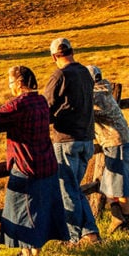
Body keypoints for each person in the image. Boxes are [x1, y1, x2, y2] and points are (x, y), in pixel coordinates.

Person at [0, 65, 69, 256]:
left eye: (10, 83)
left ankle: (26, 254)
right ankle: (35, 251)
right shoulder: (40, 100)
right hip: (46, 161)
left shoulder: (19, 104)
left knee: (21, 210)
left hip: (27, 165)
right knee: (40, 208)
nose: (9, 87)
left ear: (19, 83)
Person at [44, 37, 101, 245]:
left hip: (66, 138)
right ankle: (91, 233)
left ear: (53, 57)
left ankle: (74, 237)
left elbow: (45, 105)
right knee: (74, 187)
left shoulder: (60, 75)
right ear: (72, 51)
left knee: (67, 190)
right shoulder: (86, 73)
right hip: (86, 138)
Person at [88, 65, 129, 234]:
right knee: (109, 186)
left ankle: (124, 224)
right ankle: (119, 220)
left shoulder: (96, 96)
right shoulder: (104, 90)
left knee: (120, 188)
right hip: (120, 143)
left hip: (118, 144)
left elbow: (82, 109)